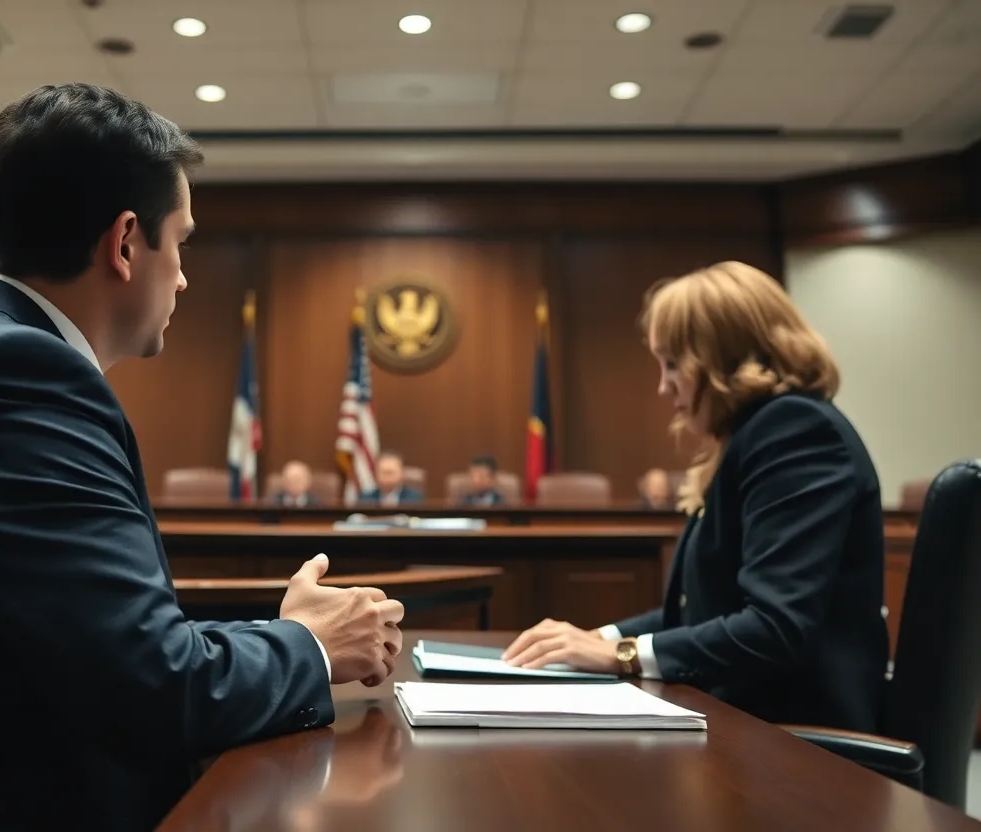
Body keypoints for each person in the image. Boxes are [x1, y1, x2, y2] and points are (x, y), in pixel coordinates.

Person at [0, 83, 404, 831]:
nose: (182, 274)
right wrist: (308, 648)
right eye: (179, 242)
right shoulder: (14, 377)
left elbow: (102, 642)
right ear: (124, 244)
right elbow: (153, 690)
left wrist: (279, 631)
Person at [503, 261, 888, 733]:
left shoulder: (795, 432)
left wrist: (619, 655)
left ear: (723, 359)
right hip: (754, 722)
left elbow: (774, 628)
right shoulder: (759, 433)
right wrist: (596, 639)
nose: (664, 388)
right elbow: (702, 611)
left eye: (672, 364)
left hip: (798, 742)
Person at [359, 451, 424, 506]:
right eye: (384, 472)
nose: (387, 477)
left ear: (401, 473)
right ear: (375, 474)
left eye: (391, 472)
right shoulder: (366, 499)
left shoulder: (414, 498)